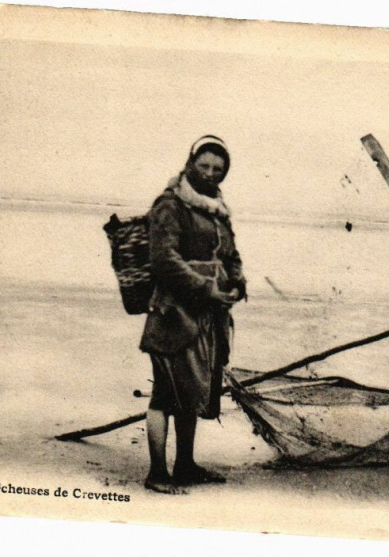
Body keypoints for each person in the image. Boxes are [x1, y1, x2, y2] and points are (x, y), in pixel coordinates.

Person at [139, 135, 246, 493]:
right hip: (173, 313)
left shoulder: (216, 208)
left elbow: (229, 254)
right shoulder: (170, 204)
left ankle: (184, 465)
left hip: (208, 316)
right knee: (166, 395)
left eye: (218, 168)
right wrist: (205, 287)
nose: (211, 173)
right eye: (204, 166)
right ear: (190, 163)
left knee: (193, 391)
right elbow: (163, 259)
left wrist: (237, 280)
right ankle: (157, 473)